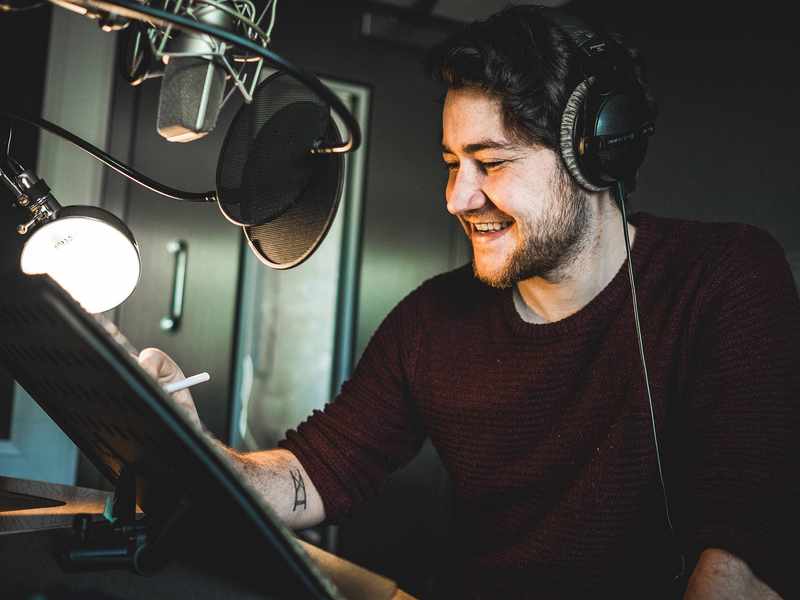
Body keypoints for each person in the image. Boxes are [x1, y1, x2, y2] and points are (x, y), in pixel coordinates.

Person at [139, 5, 798, 599]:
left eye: (492, 161)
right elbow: (317, 469)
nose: (458, 197)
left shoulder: (725, 277)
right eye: (453, 162)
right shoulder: (432, 322)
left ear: (596, 155)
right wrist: (195, 455)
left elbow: (745, 536)